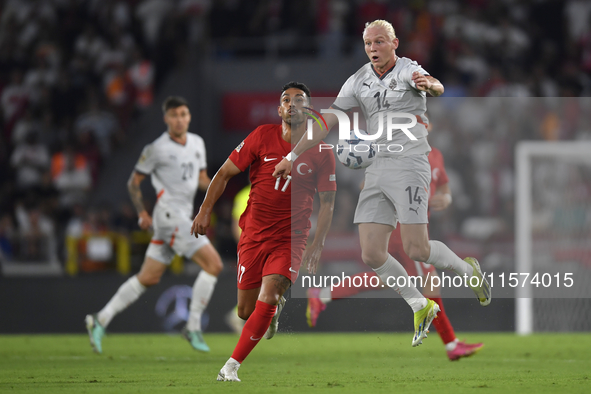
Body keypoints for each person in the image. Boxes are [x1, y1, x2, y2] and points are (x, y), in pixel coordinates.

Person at [273, 20, 491, 348]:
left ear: (394, 43)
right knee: (372, 253)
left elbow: (434, 85)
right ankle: (420, 306)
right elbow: (328, 118)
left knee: (417, 248)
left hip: (409, 164)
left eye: (379, 42)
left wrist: (431, 85)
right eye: (368, 43)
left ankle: (467, 270)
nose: (373, 48)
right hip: (376, 167)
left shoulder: (407, 69)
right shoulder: (359, 79)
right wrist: (293, 155)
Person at [191, 82, 336, 382]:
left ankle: (230, 367)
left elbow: (328, 204)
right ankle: (271, 309)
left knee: (268, 296)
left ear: (308, 110)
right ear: (279, 109)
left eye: (300, 100)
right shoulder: (261, 136)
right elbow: (224, 173)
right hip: (254, 236)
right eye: (286, 99)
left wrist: (318, 243)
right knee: (246, 311)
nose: (292, 104)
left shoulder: (321, 151)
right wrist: (205, 210)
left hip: (290, 239)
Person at [307, 142, 484, 361]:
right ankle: (451, 344)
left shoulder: (435, 155)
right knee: (429, 281)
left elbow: (444, 187)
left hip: (417, 228)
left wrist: (446, 198)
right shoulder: (397, 152)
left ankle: (322, 295)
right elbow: (366, 184)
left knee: (387, 280)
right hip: (402, 230)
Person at [85, 96, 223, 354]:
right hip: (171, 217)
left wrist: (221, 182)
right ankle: (192, 326)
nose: (179, 119)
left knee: (148, 277)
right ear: (166, 119)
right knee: (214, 265)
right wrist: (141, 213)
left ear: (189, 116)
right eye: (174, 115)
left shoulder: (197, 143)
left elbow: (202, 178)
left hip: (177, 217)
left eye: (183, 114)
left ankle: (99, 319)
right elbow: (133, 182)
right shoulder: (156, 148)